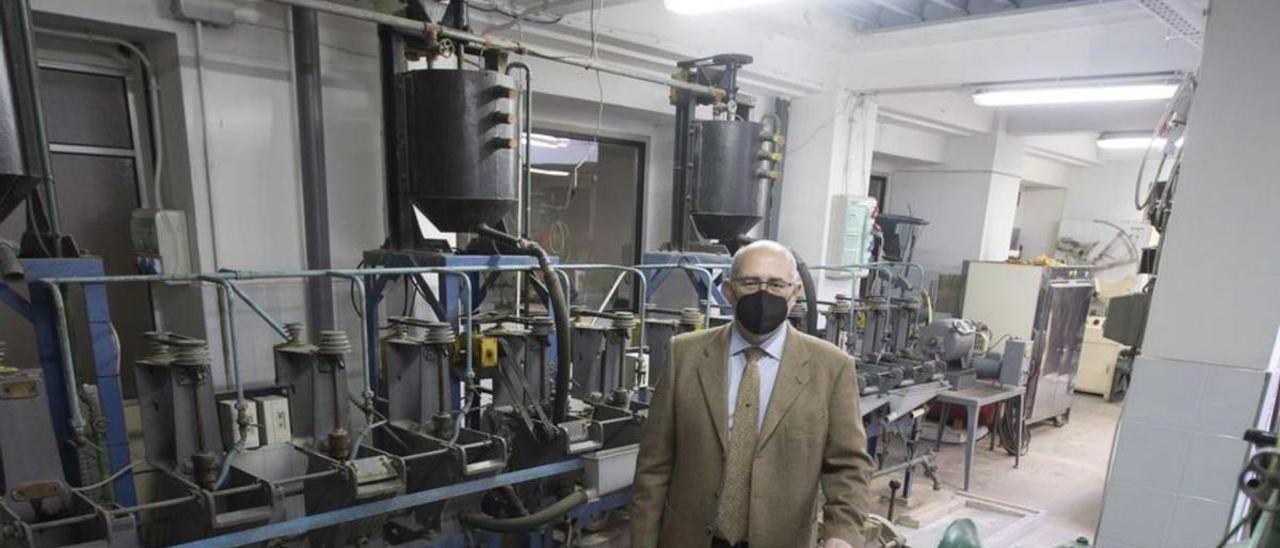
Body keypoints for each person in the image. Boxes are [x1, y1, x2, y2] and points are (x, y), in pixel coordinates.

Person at [631, 240, 874, 548]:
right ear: (730, 290)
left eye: (776, 284)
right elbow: (654, 464)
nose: (763, 293)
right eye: (751, 282)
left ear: (794, 292)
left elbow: (849, 466)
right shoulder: (685, 354)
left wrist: (843, 535)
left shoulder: (832, 368)